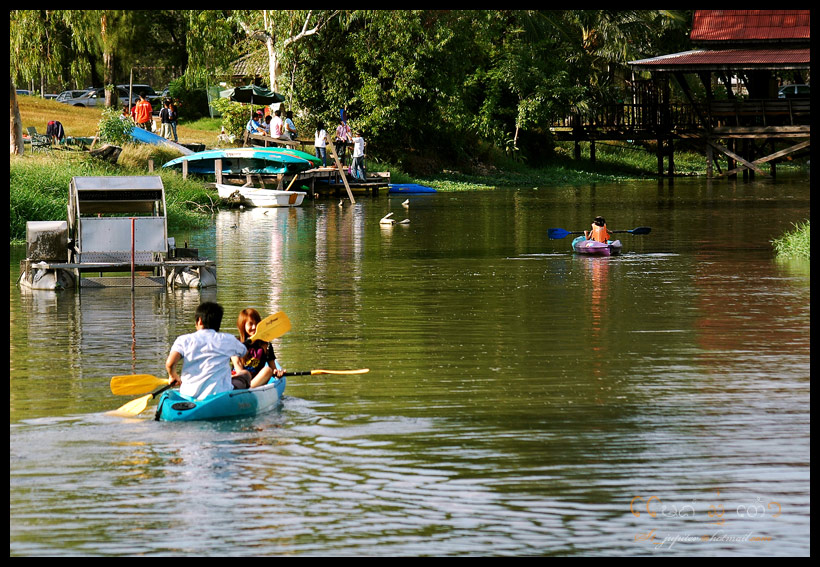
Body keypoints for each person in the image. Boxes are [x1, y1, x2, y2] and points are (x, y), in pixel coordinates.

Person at [165, 302, 252, 400]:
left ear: (200, 321)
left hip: (188, 395)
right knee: (245, 374)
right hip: (220, 395)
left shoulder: (183, 340)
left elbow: (170, 363)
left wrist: (173, 376)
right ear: (218, 323)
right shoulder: (228, 339)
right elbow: (244, 352)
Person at [235, 308, 286, 389]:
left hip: (257, 382)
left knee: (268, 370)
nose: (254, 327)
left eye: (257, 324)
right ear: (243, 326)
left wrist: (278, 374)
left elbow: (273, 369)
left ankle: (248, 389)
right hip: (240, 379)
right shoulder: (235, 343)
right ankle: (243, 389)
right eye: (250, 324)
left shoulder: (266, 345)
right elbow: (237, 364)